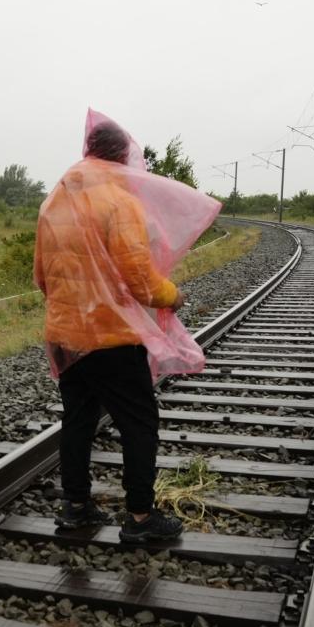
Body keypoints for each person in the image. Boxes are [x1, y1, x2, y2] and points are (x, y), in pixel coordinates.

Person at [34, 111, 220, 543]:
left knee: (77, 421)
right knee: (139, 424)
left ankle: (76, 508)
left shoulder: (56, 199)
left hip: (64, 335)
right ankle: (139, 519)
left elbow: (41, 277)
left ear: (90, 150)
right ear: (122, 156)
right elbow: (139, 281)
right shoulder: (119, 201)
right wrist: (173, 295)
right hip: (111, 338)